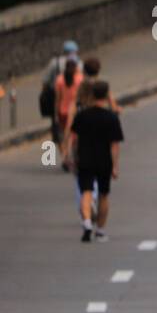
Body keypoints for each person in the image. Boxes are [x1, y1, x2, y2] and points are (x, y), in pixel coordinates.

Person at [66, 81, 123, 243]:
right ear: (106, 96)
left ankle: (87, 222)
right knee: (104, 195)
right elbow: (114, 145)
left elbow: (73, 136)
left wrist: (69, 156)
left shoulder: (82, 115)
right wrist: (115, 166)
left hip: (85, 159)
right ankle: (101, 230)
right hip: (104, 160)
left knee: (86, 192)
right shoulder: (111, 118)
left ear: (92, 95)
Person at [53, 56, 83, 168]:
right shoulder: (79, 79)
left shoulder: (59, 79)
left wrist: (56, 113)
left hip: (62, 111)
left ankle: (65, 157)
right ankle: (70, 156)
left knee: (65, 134)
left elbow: (57, 98)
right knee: (74, 136)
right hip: (76, 111)